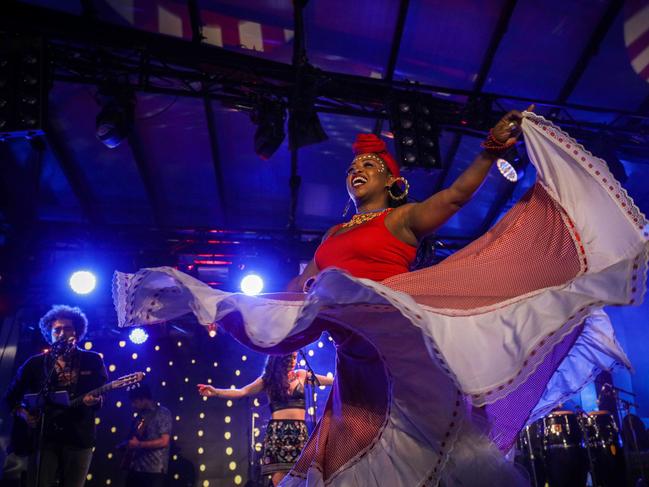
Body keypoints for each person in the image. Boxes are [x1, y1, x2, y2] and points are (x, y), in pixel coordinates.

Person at [114, 108, 646, 486]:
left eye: (368, 167)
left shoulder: (402, 219)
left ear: (393, 183)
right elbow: (300, 295)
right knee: (356, 449)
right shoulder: (330, 239)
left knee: (427, 442)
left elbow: (457, 196)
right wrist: (230, 306)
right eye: (352, 168)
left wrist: (487, 151)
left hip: (402, 345)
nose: (356, 171)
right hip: (357, 360)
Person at [4, 305, 107, 487]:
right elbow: (11, 397)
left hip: (79, 438)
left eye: (67, 328)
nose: (61, 333)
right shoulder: (35, 363)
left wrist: (95, 401)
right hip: (44, 438)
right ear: (49, 333)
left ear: (76, 332)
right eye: (56, 329)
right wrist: (25, 415)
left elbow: (100, 398)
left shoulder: (93, 360)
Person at [197, 352, 334, 486]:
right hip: (277, 434)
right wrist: (216, 391)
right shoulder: (269, 380)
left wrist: (346, 377)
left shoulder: (302, 375)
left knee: (301, 478)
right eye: (289, 358)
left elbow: (330, 381)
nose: (293, 361)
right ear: (279, 359)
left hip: (299, 433)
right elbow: (242, 391)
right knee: (279, 481)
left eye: (295, 357)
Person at [121, 384, 172, 487]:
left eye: (135, 402)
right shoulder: (140, 416)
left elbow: (164, 441)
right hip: (136, 467)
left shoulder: (162, 413)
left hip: (154, 470)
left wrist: (138, 444)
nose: (133, 405)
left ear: (143, 399)